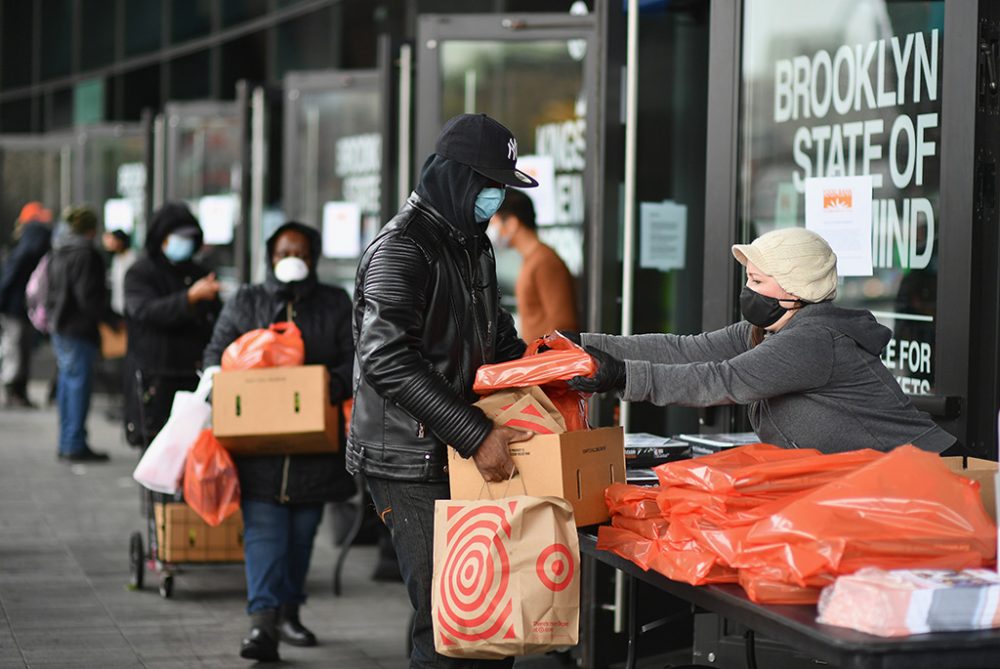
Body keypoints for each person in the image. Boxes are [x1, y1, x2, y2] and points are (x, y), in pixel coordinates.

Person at [349, 113, 539, 669]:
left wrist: (542, 366)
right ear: (459, 179)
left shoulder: (472, 245)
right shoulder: (402, 248)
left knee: (490, 617)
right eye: (490, 185)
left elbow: (494, 337)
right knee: (450, 623)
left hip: (456, 453)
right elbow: (385, 358)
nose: (497, 199)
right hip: (410, 460)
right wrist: (474, 432)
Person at [567, 227, 956, 454]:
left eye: (757, 281)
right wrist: (581, 344)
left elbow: (723, 380)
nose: (747, 289)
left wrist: (621, 376)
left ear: (795, 289)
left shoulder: (816, 340)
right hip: (876, 481)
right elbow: (684, 349)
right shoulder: (765, 331)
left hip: (927, 476)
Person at [203, 222, 355, 663]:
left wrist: (333, 383)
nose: (293, 258)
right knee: (265, 531)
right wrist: (221, 386)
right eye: (285, 250)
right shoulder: (246, 300)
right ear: (270, 255)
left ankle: (289, 611)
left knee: (303, 534)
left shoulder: (334, 303)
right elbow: (216, 353)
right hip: (257, 447)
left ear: (315, 257)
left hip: (315, 445)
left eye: (303, 252)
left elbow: (356, 358)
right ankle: (263, 623)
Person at [123, 203, 220, 447]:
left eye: (189, 238)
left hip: (193, 373)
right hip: (155, 375)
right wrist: (190, 298)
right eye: (178, 237)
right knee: (157, 449)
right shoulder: (141, 273)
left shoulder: (199, 272)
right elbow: (146, 311)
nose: (184, 243)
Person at [46, 206, 117, 462]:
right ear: (91, 229)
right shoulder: (86, 255)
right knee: (77, 387)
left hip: (60, 327)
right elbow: (88, 297)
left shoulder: (59, 249)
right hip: (78, 329)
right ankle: (74, 444)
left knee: (68, 384)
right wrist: (111, 320)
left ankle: (67, 441)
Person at [488, 188, 577, 342]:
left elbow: (564, 325)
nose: (491, 229)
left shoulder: (545, 261)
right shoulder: (533, 259)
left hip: (547, 363)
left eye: (494, 222)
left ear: (512, 223)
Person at [0, 202, 53, 408]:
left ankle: (16, 391)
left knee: (17, 350)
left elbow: (9, 278)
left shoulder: (26, 248)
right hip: (19, 309)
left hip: (19, 308)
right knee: (17, 350)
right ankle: (15, 391)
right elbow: (9, 279)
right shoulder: (34, 248)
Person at [103, 229, 137, 317]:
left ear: (120, 241)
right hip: (118, 306)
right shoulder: (116, 258)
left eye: (113, 240)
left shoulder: (132, 257)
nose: (109, 243)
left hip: (131, 305)